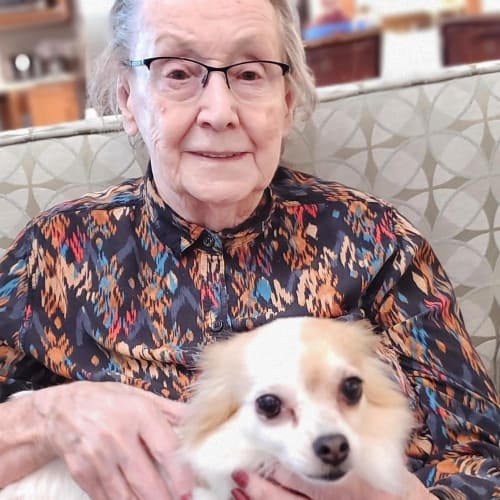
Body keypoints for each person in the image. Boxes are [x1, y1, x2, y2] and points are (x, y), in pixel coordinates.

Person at [0, 0, 498, 499]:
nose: (220, 113)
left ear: (285, 101)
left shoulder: (376, 242)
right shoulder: (57, 251)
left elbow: (485, 462)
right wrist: (43, 417)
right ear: (129, 100)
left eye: (250, 73)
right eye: (178, 72)